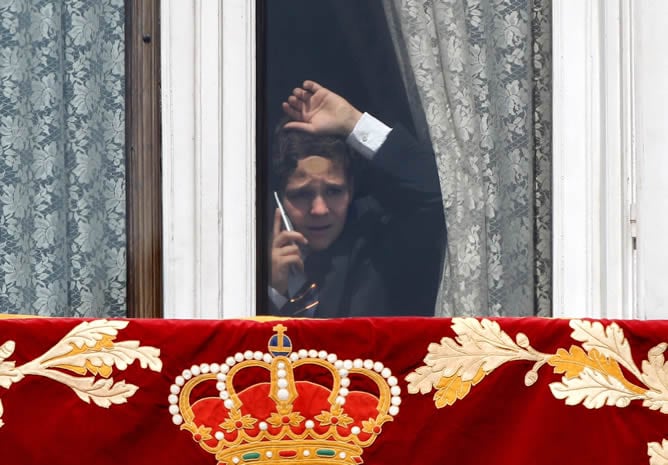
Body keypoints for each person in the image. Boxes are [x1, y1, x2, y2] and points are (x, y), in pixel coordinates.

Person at [269, 80, 445, 318]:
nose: (319, 209)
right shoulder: (245, 254)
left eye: (333, 192)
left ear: (351, 188)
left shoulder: (377, 246)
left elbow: (438, 194)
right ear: (278, 197)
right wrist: (271, 292)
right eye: (302, 194)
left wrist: (353, 122)